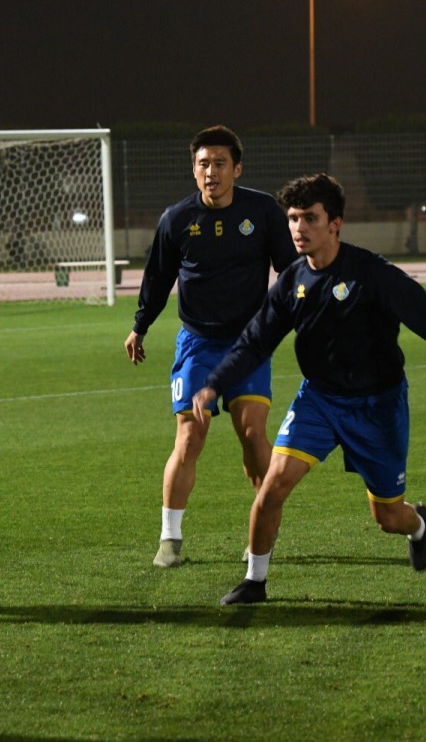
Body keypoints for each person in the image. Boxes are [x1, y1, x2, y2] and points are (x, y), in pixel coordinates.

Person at [190, 173, 426, 606]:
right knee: (273, 486)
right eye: (293, 219)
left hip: (378, 407)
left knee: (388, 517)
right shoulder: (292, 281)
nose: (298, 228)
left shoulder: (372, 274)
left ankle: (419, 525)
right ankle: (255, 582)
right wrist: (214, 386)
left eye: (310, 219)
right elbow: (256, 340)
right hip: (318, 400)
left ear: (336, 223)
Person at [125, 125, 297, 568]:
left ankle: (263, 529)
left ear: (237, 169)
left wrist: (305, 314)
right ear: (193, 169)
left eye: (220, 163)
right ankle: (170, 540)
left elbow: (291, 271)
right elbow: (158, 279)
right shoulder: (177, 219)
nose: (211, 171)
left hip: (249, 344)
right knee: (189, 435)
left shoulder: (262, 212)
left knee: (253, 433)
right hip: (197, 344)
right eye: (203, 163)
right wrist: (140, 326)